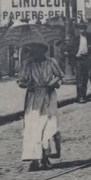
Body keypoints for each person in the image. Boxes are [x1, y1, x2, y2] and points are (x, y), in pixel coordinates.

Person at [18, 40, 63, 170]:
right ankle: (34, 159)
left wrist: (53, 83)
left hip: (49, 96)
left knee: (48, 126)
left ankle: (45, 157)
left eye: (38, 50)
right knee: (33, 128)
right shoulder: (28, 64)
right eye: (33, 50)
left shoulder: (51, 62)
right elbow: (21, 81)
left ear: (43, 50)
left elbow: (60, 76)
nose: (36, 53)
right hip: (33, 98)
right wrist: (26, 84)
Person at [68, 22, 91, 102]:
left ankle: (84, 95)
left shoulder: (90, 37)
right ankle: (79, 97)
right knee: (79, 78)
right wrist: (75, 55)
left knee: (85, 78)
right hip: (79, 59)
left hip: (87, 58)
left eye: (84, 29)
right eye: (81, 29)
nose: (82, 30)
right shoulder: (75, 38)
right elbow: (68, 49)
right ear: (78, 30)